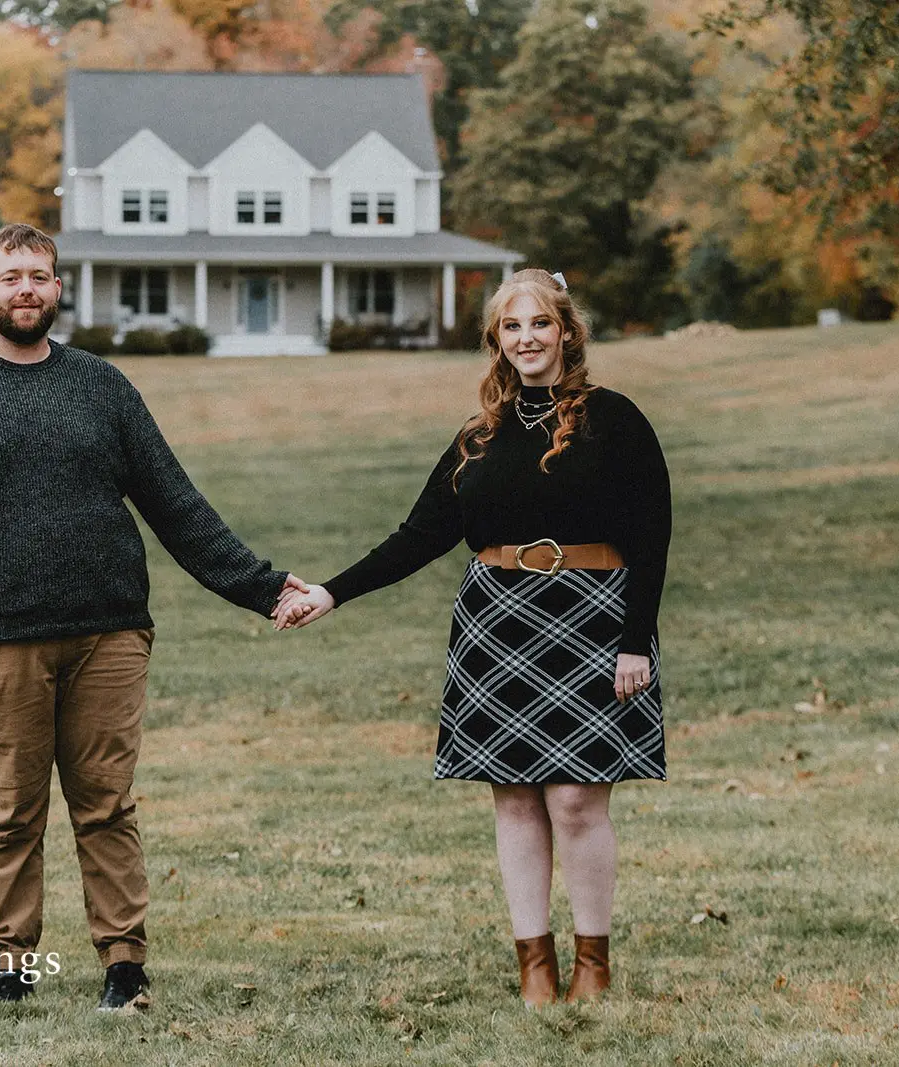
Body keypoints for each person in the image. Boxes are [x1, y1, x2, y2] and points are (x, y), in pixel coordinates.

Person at [0, 222, 306, 1011]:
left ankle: (124, 966)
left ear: (58, 287)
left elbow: (176, 506)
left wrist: (264, 587)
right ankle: (9, 966)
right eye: (11, 277)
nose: (26, 289)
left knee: (105, 804)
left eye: (40, 275)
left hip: (109, 633)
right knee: (10, 811)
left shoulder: (102, 387)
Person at [274, 269, 671, 1007]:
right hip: (498, 627)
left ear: (566, 332)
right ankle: (534, 969)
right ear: (498, 341)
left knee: (578, 801)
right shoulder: (479, 437)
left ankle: (593, 964)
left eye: (540, 324)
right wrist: (331, 591)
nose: (527, 339)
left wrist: (635, 641)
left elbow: (654, 536)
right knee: (516, 797)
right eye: (512, 327)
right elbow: (419, 535)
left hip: (593, 620)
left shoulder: (615, 421)